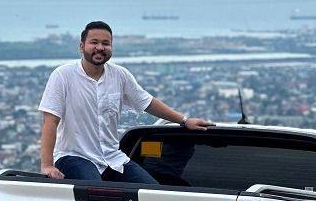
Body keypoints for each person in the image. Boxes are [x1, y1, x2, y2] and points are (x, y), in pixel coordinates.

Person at [38, 21, 214, 182]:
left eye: (105, 43)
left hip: (112, 158)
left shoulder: (120, 75)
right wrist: (47, 165)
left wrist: (184, 120)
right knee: (94, 192)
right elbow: (50, 121)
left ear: (111, 47)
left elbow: (148, 103)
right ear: (81, 46)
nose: (100, 47)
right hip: (75, 156)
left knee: (153, 193)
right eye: (94, 42)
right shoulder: (63, 75)